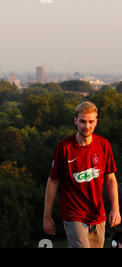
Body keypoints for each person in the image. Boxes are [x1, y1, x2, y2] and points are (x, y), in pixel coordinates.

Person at [43, 101, 120, 248]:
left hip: (98, 214)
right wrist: (47, 216)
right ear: (75, 121)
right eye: (83, 121)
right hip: (73, 213)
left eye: (91, 121)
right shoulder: (64, 148)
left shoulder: (104, 145)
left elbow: (110, 179)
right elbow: (53, 182)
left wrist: (115, 208)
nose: (87, 126)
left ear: (96, 121)